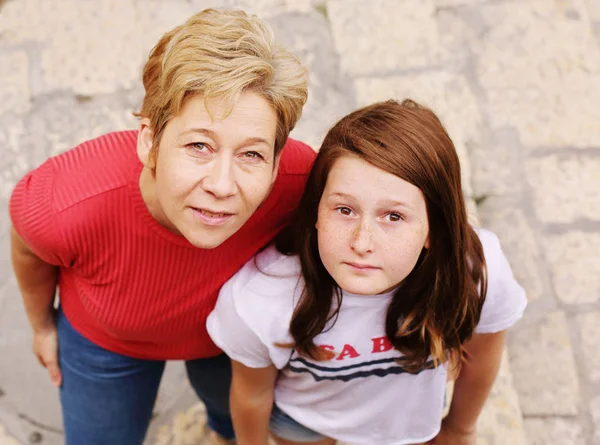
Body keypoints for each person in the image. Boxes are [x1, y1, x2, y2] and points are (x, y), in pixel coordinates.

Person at [9, 8, 315, 445]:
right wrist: (42, 326)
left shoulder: (302, 183)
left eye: (251, 154)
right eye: (198, 145)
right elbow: (28, 245)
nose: (223, 186)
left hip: (228, 341)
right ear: (149, 139)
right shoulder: (65, 203)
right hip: (107, 342)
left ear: (277, 160)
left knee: (237, 425)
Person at [207, 99, 528, 445]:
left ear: (433, 229)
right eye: (345, 210)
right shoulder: (259, 301)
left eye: (393, 217)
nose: (362, 242)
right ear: (316, 211)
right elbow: (251, 394)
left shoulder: (477, 269)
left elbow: (483, 352)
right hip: (306, 422)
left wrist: (460, 427)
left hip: (407, 421)